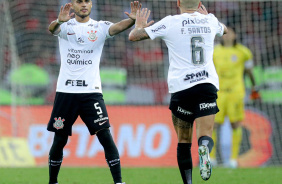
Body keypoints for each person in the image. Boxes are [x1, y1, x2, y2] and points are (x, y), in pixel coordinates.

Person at [129, 0, 227, 183]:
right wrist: (207, 18)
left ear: (178, 3)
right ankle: (204, 147)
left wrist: (139, 24)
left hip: (182, 87)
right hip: (207, 85)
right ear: (199, 3)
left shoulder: (170, 21)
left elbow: (134, 36)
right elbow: (225, 30)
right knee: (205, 134)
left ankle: (188, 182)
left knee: (183, 140)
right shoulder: (211, 21)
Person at [47, 1, 142, 184]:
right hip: (66, 92)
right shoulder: (65, 26)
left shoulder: (99, 27)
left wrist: (131, 21)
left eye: (87, 1)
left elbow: (116, 28)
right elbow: (52, 29)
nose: (83, 4)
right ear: (73, 5)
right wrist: (59, 21)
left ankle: (119, 182)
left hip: (91, 93)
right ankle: (53, 182)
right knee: (59, 140)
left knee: (105, 136)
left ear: (91, 5)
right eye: (79, 1)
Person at [211, 27, 259, 168]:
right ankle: (212, 158)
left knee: (235, 124)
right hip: (218, 93)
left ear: (235, 35)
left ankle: (233, 159)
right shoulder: (214, 51)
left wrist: (254, 87)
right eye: (224, 32)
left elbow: (249, 71)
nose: (226, 35)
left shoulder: (243, 52)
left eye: (229, 32)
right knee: (213, 125)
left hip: (236, 92)